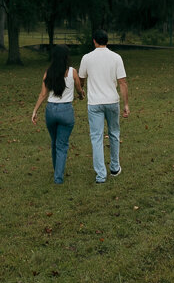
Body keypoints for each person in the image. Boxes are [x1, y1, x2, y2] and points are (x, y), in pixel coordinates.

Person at [78, 29, 129, 184]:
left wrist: (81, 92)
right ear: (107, 41)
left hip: (94, 103)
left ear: (94, 41)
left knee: (96, 137)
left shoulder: (87, 58)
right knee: (114, 133)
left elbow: (81, 79)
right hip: (112, 101)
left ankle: (101, 175)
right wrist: (126, 104)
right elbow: (123, 82)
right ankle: (114, 167)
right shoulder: (116, 58)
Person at [31, 44, 84, 184]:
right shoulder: (72, 72)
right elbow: (79, 89)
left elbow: (43, 94)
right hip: (66, 111)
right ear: (67, 57)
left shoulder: (48, 72)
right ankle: (58, 178)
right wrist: (81, 95)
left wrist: (35, 111)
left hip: (51, 111)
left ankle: (57, 171)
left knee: (54, 143)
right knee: (62, 145)